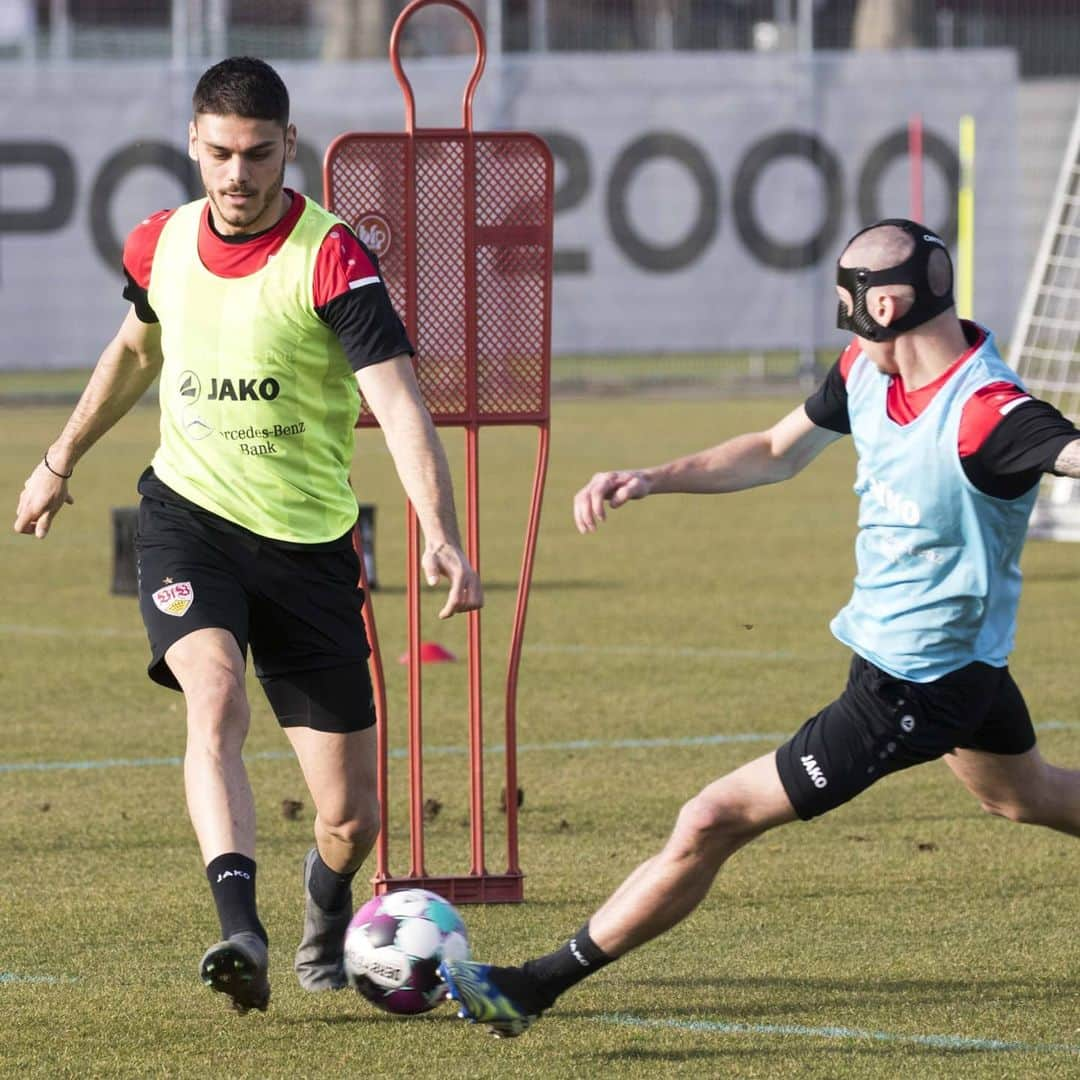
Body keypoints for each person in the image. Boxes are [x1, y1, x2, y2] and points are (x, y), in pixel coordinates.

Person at [438, 218, 1080, 1037]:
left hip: (916, 687)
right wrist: (652, 477)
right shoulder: (864, 372)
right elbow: (776, 450)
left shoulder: (987, 412)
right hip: (951, 665)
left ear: (884, 303)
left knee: (712, 819)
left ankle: (529, 987)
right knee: (1026, 795)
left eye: (847, 308)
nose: (844, 326)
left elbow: (1065, 451)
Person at [13, 56, 482, 1015]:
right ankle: (241, 931)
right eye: (220, 152)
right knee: (214, 697)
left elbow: (397, 405)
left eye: (257, 154)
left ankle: (324, 909)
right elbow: (137, 348)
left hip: (308, 553)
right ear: (193, 144)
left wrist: (440, 528)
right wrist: (59, 458)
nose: (237, 174)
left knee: (350, 817)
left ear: (287, 148)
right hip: (188, 520)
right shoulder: (159, 243)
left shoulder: (333, 257)